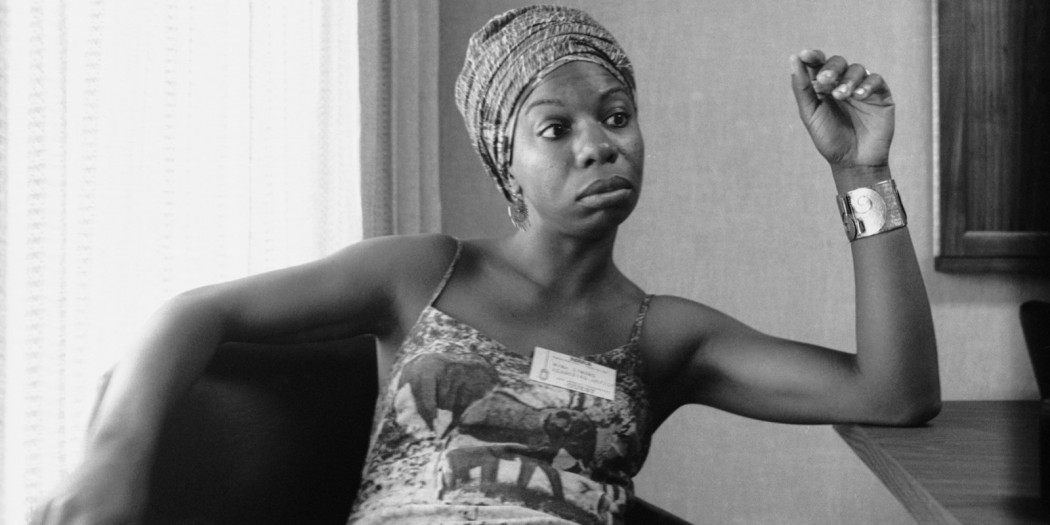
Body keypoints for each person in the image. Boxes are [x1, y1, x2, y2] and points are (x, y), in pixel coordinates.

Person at [33, 4, 939, 525]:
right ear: (509, 162)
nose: (598, 144)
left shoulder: (664, 334)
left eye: (615, 115)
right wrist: (112, 455)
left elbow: (893, 393)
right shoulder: (424, 273)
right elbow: (195, 311)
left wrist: (860, 171)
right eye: (556, 128)